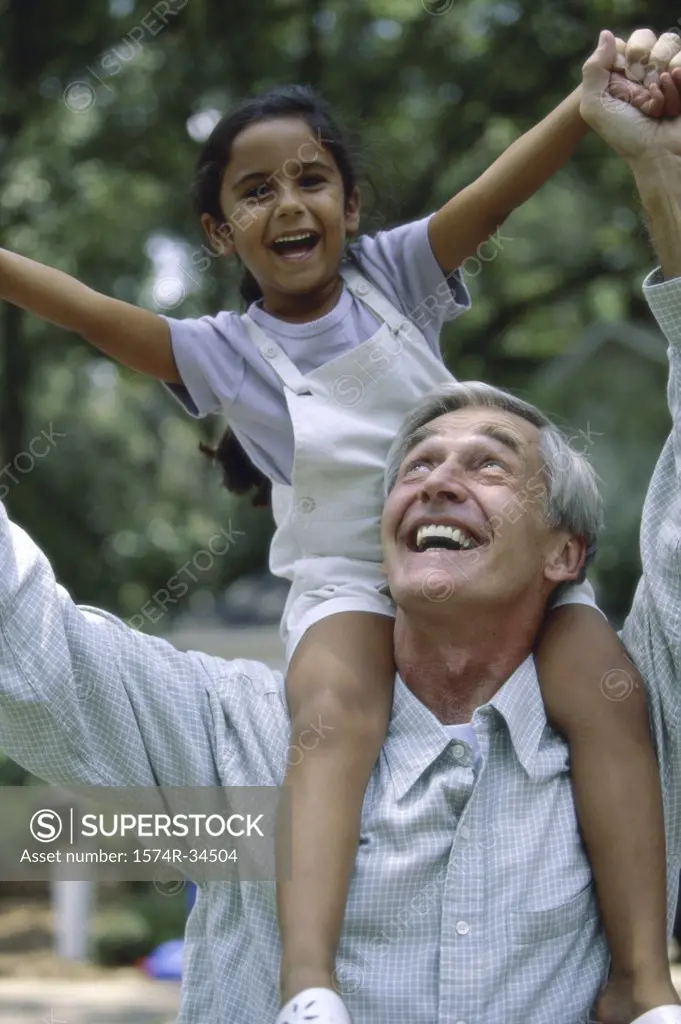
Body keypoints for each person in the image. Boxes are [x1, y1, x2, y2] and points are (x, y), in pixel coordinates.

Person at [0, 27, 679, 1024]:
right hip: (341, 581)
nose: (287, 203)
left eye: (312, 179)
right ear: (219, 232)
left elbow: (495, 195)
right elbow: (95, 313)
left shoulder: (395, 277)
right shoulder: (223, 354)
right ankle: (307, 983)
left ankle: (641, 975)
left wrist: (590, 114)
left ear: (351, 206)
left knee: (610, 697)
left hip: (518, 605)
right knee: (329, 728)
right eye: (254, 190)